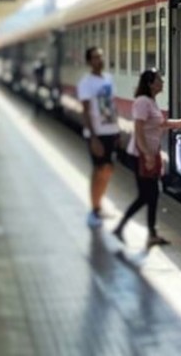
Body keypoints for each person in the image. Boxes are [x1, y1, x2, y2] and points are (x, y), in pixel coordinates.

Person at [113, 70, 181, 247]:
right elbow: (139, 129)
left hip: (150, 153)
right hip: (141, 155)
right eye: (159, 80)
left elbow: (161, 124)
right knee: (146, 195)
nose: (162, 82)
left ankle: (149, 234)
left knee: (152, 195)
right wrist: (147, 154)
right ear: (151, 83)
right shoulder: (142, 102)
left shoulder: (151, 102)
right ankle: (122, 228)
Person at [78, 46, 120, 228]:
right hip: (97, 134)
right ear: (89, 62)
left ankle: (99, 203)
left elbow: (112, 106)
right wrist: (93, 137)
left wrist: (117, 130)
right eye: (95, 58)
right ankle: (94, 209)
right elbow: (86, 111)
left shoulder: (109, 79)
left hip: (110, 131)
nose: (99, 60)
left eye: (101, 57)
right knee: (98, 170)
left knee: (108, 169)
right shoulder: (85, 83)